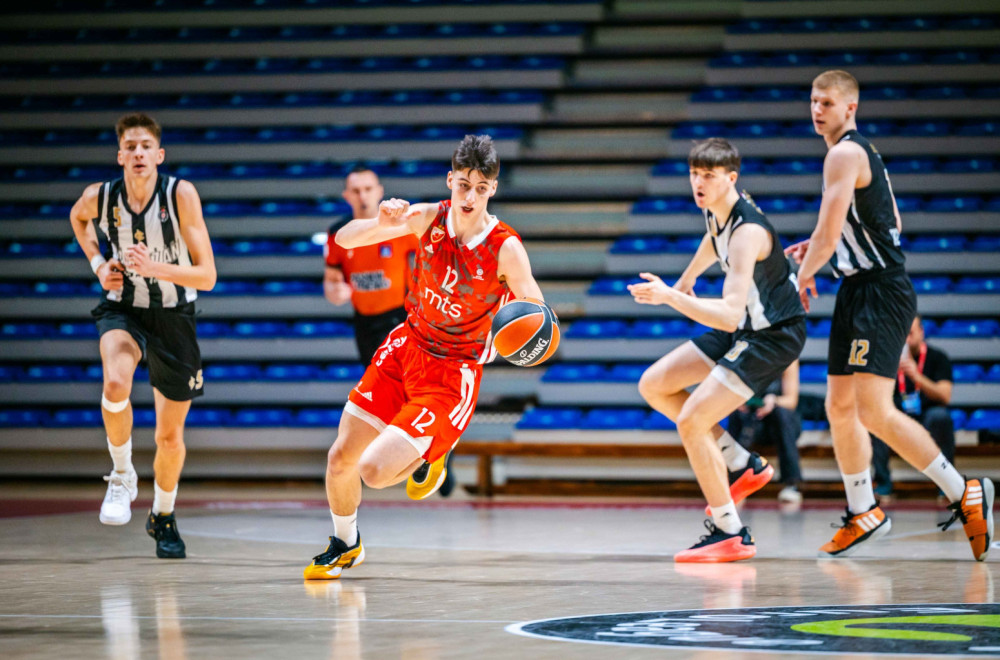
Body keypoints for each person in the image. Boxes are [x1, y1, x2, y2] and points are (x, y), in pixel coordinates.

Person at [304, 134, 547, 579]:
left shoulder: (506, 248)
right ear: (450, 180)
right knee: (340, 458)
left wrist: (520, 341)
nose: (469, 196)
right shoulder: (426, 218)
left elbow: (537, 318)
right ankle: (345, 542)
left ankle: (436, 451)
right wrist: (379, 222)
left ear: (492, 188)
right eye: (463, 185)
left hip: (451, 373)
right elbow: (344, 237)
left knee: (374, 472)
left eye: (480, 187)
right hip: (406, 346)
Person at [786, 69, 992, 560]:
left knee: (874, 410)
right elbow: (887, 223)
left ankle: (963, 491)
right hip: (859, 288)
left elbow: (833, 234)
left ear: (850, 108)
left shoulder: (845, 153)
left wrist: (802, 276)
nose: (818, 110)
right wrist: (823, 252)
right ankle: (864, 511)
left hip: (881, 293)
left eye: (827, 103)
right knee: (839, 406)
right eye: (813, 101)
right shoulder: (860, 155)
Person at [630, 138, 806, 562]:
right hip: (746, 325)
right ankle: (742, 462)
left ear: (732, 178)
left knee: (692, 420)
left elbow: (728, 315)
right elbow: (713, 240)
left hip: (771, 335)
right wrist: (689, 278)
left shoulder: (747, 233)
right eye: (694, 174)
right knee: (654, 385)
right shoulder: (719, 208)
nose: (698, 183)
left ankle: (730, 531)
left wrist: (672, 296)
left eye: (708, 176)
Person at [69, 112, 216, 559]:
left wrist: (154, 268)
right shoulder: (101, 196)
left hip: (174, 315)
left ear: (159, 155)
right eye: (129, 146)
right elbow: (77, 219)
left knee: (169, 438)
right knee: (115, 381)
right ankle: (120, 475)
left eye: (145, 146)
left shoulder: (180, 195)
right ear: (120, 155)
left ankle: (163, 514)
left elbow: (207, 275)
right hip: (124, 309)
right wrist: (99, 266)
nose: (137, 153)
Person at [324, 165, 418, 366]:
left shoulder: (399, 227)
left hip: (398, 317)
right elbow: (331, 281)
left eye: (368, 189)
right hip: (363, 321)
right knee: (373, 384)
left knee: (396, 380)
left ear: (379, 191)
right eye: (356, 191)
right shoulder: (337, 234)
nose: (362, 196)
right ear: (347, 196)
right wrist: (335, 292)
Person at [871, 315, 955, 498]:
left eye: (910, 333)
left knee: (941, 417)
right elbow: (877, 397)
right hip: (900, 413)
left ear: (922, 332)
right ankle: (883, 483)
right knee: (875, 419)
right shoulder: (889, 359)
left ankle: (947, 485)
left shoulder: (938, 357)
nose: (906, 340)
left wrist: (917, 377)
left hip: (927, 413)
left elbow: (945, 396)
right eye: (902, 334)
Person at [728, 360, 804, 504]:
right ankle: (735, 481)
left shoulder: (789, 356)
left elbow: (791, 400)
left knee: (781, 414)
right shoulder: (749, 353)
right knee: (736, 414)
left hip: (781, 424)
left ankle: (791, 484)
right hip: (754, 421)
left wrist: (774, 400)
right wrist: (739, 401)